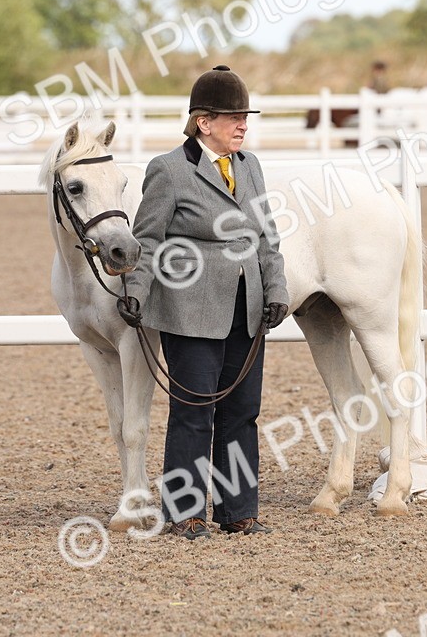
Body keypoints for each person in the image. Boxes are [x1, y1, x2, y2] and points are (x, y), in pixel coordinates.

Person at [116, 65, 290, 540]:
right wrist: (134, 292)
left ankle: (238, 511)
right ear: (202, 122)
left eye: (244, 116)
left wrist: (277, 289)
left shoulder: (249, 166)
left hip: (246, 306)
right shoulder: (169, 170)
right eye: (233, 116)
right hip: (190, 309)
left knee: (242, 411)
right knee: (194, 411)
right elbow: (146, 240)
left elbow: (267, 235)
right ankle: (185, 512)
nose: (242, 124)